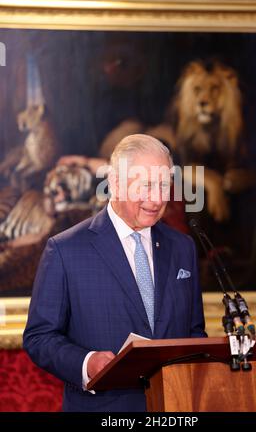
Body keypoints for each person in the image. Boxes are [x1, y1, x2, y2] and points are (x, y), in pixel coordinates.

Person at [23, 134, 207, 412]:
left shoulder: (183, 247)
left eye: (164, 185)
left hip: (174, 408)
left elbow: (194, 332)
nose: (157, 199)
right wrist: (87, 363)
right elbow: (39, 337)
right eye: (145, 186)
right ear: (115, 183)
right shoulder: (65, 250)